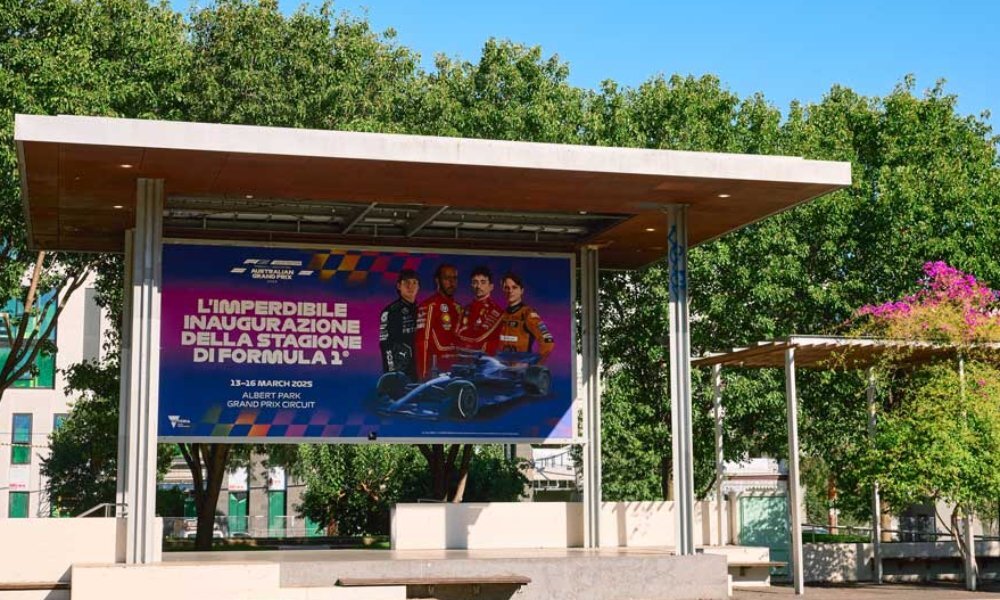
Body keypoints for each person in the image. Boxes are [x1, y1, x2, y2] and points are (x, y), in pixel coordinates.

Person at [414, 264, 463, 379]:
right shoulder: (430, 306)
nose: (451, 282)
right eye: (447, 278)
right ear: (438, 281)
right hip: (437, 375)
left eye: (454, 278)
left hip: (458, 373)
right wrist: (424, 376)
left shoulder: (459, 308)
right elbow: (422, 342)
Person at [498, 272, 554, 362]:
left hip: (520, 371)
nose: (510, 291)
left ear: (521, 290)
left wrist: (535, 365)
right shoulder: (500, 316)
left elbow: (548, 342)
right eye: (506, 288)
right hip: (500, 371)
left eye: (514, 287)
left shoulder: (528, 314)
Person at [379, 269, 419, 379]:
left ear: (418, 287)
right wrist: (391, 372)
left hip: (419, 369)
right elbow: (385, 344)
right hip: (400, 369)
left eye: (414, 283)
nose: (410, 286)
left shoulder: (421, 310)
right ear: (398, 286)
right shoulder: (391, 311)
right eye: (406, 283)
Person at [455, 265, 503, 355]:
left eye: (483, 282)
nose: (478, 286)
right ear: (471, 285)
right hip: (462, 359)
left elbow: (478, 339)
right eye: (475, 282)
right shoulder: (465, 309)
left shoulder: (496, 311)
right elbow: (457, 336)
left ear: (491, 286)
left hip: (484, 360)